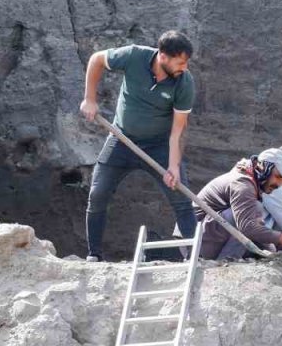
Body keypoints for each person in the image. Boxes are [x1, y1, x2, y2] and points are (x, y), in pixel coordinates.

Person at [79, 30, 197, 262]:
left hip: (159, 145)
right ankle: (94, 255)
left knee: (181, 199)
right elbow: (96, 60)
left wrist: (173, 166)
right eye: (180, 62)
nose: (184, 67)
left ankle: (194, 258)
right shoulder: (133, 56)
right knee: (98, 194)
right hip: (121, 139)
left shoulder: (184, 82)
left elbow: (178, 130)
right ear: (163, 56)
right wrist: (90, 99)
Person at [194, 148, 282, 259]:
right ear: (264, 168)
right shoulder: (243, 185)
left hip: (207, 237)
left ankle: (230, 259)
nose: (278, 184)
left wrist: (270, 250)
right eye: (277, 177)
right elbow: (247, 228)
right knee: (251, 216)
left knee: (266, 247)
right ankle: (225, 263)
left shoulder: (249, 178)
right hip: (195, 242)